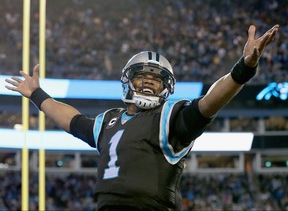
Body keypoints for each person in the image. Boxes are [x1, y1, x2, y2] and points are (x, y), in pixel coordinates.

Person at [5, 24, 279, 211]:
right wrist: (37, 94)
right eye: (142, 76)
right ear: (128, 82)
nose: (148, 83)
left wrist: (243, 69)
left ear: (166, 88)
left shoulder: (170, 118)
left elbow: (209, 102)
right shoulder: (109, 121)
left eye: (155, 79)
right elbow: (72, 121)